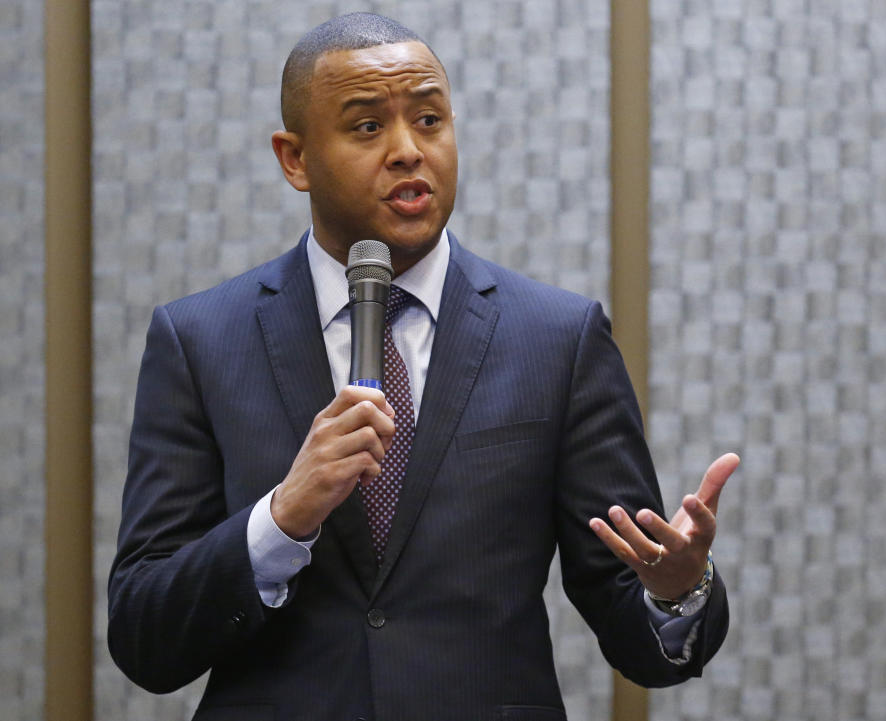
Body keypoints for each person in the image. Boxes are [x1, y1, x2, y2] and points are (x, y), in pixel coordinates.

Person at [108, 12, 739, 721]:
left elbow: (638, 633)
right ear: (295, 158)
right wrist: (282, 519)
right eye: (368, 127)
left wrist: (677, 588)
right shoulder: (199, 341)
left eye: (430, 119)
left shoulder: (559, 340)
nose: (409, 150)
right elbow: (143, 637)